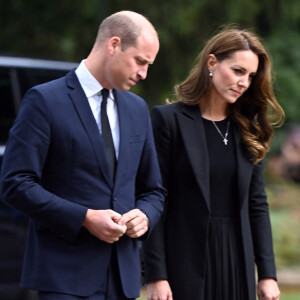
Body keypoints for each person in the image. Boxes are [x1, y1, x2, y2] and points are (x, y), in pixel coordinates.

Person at [0, 11, 165, 300]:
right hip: (63, 276)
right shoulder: (44, 100)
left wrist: (146, 216)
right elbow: (15, 183)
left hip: (122, 278)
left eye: (148, 65)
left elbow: (153, 190)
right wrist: (85, 218)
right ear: (113, 44)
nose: (143, 73)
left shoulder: (138, 109)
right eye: (140, 61)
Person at [142, 28, 284, 300]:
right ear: (212, 63)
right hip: (184, 262)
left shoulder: (248, 128)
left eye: (251, 76)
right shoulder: (168, 120)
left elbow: (257, 204)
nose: (244, 82)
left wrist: (267, 274)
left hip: (237, 261)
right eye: (238, 71)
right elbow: (155, 199)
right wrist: (157, 275)